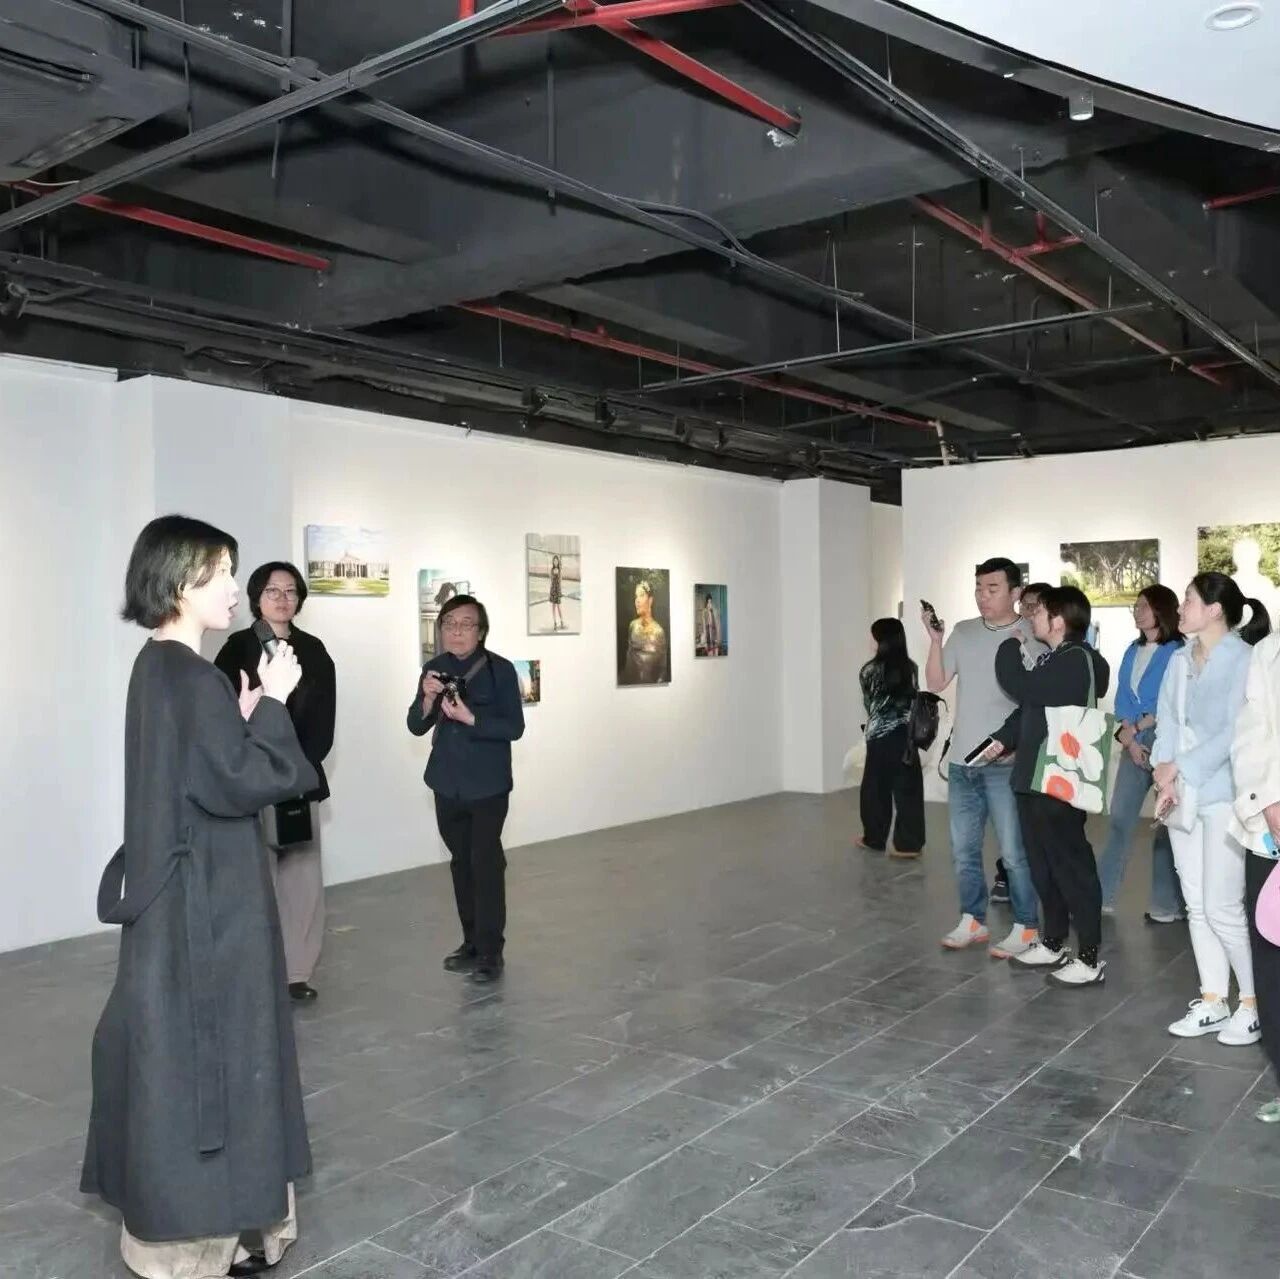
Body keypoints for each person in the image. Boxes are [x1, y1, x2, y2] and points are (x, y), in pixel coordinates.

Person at [82, 515, 317, 1279]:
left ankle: (207, 1232)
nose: (235, 591)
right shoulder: (190, 675)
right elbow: (242, 782)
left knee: (176, 1054)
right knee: (224, 1054)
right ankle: (214, 1236)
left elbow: (199, 768)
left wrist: (237, 720)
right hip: (211, 907)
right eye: (222, 575)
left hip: (177, 897)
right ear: (181, 580)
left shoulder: (157, 668)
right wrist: (273, 702)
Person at [1152, 573, 1270, 1044]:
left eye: (1188, 600)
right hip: (1180, 793)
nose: (1181, 608)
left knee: (1222, 906)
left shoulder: (1243, 659)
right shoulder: (1179, 659)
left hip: (1223, 794)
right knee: (1197, 904)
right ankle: (1214, 1000)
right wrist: (1164, 772)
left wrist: (1180, 767)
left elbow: (1233, 732)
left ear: (1215, 609)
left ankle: (1253, 1004)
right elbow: (1167, 720)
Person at [215, 561, 337, 1002]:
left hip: (299, 779)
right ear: (256, 597)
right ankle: (255, 970)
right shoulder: (236, 649)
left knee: (301, 879)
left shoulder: (314, 650)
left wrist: (297, 766)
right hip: (252, 778)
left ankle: (297, 972)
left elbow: (323, 721)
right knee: (254, 880)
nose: (283, 599)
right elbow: (224, 715)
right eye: (273, 591)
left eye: (290, 591)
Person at [925, 558, 1045, 959]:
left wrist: (1020, 748)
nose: (983, 596)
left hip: (1004, 764)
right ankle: (972, 919)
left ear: (1015, 592)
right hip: (963, 763)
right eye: (978, 588)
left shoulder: (1031, 634)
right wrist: (935, 641)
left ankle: (1027, 926)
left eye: (992, 589)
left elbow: (1039, 699)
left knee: (1013, 853)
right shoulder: (964, 631)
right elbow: (936, 682)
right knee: (963, 851)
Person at [995, 586, 1111, 986]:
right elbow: (1030, 708)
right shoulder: (1055, 659)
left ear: (1059, 620)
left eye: (1039, 611)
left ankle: (1090, 958)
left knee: (1072, 867)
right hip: (1034, 779)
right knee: (1043, 867)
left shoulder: (1076, 659)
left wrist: (1009, 646)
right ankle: (1053, 940)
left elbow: (1020, 685)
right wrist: (1000, 740)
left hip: (1058, 782)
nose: (1032, 617)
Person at [407, 594, 525, 982]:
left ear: (481, 631)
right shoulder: (434, 668)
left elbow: (514, 728)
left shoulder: (501, 670)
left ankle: (491, 952)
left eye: (466, 624)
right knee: (461, 862)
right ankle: (470, 942)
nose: (456, 631)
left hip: (488, 786)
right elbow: (416, 725)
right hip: (446, 783)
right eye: (449, 624)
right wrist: (427, 698)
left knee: (485, 865)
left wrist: (471, 717)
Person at [1096, 586, 1186, 923]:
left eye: (1144, 606)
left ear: (1161, 610)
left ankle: (1167, 904)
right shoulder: (1132, 650)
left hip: (1164, 740)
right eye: (1136, 605)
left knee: (1166, 826)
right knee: (1120, 819)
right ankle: (1102, 896)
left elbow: (1170, 700)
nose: (1138, 611)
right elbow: (1123, 696)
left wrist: (1136, 729)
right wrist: (1129, 736)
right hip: (1133, 740)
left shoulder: (1178, 651)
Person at [1230, 630, 1280, 1121]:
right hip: (1272, 825)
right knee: (1271, 953)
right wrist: (1267, 801)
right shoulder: (1269, 651)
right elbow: (1251, 734)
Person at [990, 581, 1054, 905]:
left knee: (1048, 831)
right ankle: (1010, 876)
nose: (1027, 613)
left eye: (1035, 607)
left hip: (1051, 757)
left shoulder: (1056, 654)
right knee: (1018, 825)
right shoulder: (1026, 644)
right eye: (1024, 606)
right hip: (1024, 747)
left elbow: (1024, 692)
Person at [858, 618, 925, 857]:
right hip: (906, 735)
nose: (871, 640)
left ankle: (874, 839)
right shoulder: (911, 668)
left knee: (875, 789)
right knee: (909, 789)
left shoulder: (869, 670)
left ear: (882, 640)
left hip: (878, 736)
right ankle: (909, 844)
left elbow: (869, 704)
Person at [622, 579, 669, 683]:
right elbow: (628, 662)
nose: (637, 600)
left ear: (650, 600)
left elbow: (662, 669)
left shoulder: (659, 632)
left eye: (641, 595)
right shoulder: (633, 626)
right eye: (636, 596)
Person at [699, 591, 722, 656]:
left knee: (715, 648)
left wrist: (712, 612)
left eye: (710, 602)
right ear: (706, 603)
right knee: (709, 650)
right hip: (707, 631)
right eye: (708, 602)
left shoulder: (714, 610)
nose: (709, 604)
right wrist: (704, 635)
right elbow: (703, 624)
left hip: (713, 631)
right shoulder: (704, 611)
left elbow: (717, 623)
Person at [549, 555, 565, 632]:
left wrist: (560, 591)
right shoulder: (551, 570)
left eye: (556, 561)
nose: (555, 562)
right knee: (553, 607)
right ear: (553, 562)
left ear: (558, 562)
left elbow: (560, 581)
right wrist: (551, 591)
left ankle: (562, 621)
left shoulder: (560, 570)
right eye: (554, 561)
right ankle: (555, 623)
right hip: (553, 589)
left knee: (558, 607)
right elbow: (551, 580)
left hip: (557, 590)